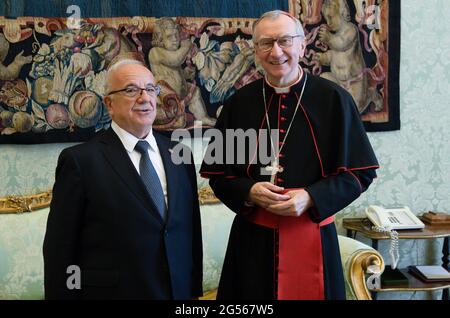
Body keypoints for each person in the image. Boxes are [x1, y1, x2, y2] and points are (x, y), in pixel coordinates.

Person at [200, 10, 379, 300]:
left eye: (285, 41)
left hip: (314, 239)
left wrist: (311, 196)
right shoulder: (238, 104)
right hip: (252, 245)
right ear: (255, 51)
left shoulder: (334, 100)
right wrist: (250, 190)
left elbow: (361, 174)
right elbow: (220, 177)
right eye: (266, 43)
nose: (276, 51)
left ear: (302, 46)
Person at [43, 57, 203, 300]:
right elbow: (60, 251)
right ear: (109, 103)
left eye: (150, 89)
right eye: (131, 90)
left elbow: (190, 233)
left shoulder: (179, 155)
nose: (144, 98)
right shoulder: (80, 161)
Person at [148, 17, 216, 127]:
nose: (175, 39)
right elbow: (175, 60)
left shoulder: (173, 52)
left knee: (195, 92)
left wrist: (185, 73)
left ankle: (202, 117)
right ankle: (174, 121)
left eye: (176, 35)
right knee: (178, 120)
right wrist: (186, 45)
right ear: (160, 40)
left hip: (180, 93)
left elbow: (174, 71)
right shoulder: (155, 52)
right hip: (164, 98)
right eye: (170, 37)